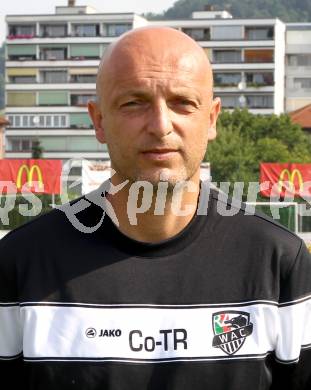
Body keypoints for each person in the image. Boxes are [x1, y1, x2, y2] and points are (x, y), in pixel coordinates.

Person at [0, 27, 310, 390]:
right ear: (98, 120)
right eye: (134, 103)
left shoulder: (278, 261)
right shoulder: (20, 262)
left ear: (211, 119)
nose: (161, 126)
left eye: (182, 102)